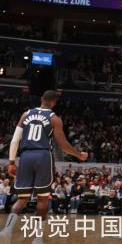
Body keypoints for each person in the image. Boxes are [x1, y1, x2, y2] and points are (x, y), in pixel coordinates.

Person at [1, 91, 88, 237]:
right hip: (43, 156)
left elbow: (15, 140)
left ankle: (7, 230)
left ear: (41, 99)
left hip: (26, 156)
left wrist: (11, 162)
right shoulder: (54, 119)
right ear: (54, 102)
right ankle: (38, 238)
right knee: (42, 199)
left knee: (22, 199)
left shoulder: (26, 114)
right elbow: (63, 145)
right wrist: (79, 155)